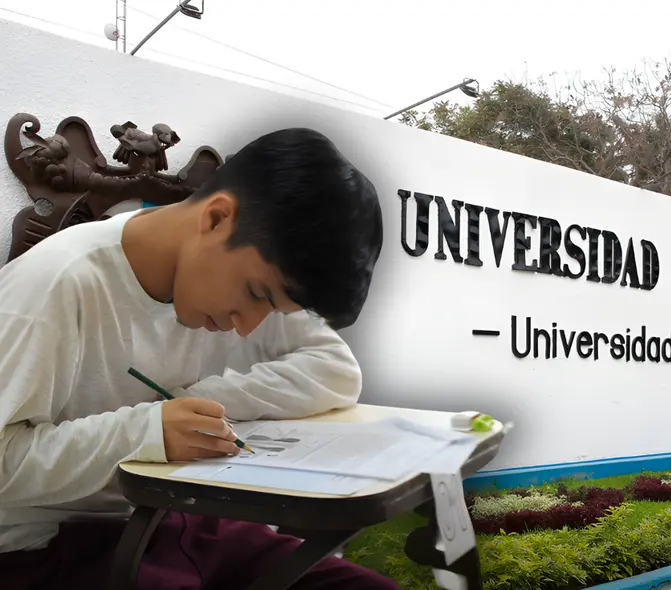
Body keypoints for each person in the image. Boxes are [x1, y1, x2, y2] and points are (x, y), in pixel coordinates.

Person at [0, 127, 399, 589]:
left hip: (174, 520)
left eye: (273, 309)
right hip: (47, 547)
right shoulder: (55, 285)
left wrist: (200, 403)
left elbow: (336, 370)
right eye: (257, 295)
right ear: (216, 218)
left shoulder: (249, 267)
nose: (249, 327)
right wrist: (147, 432)